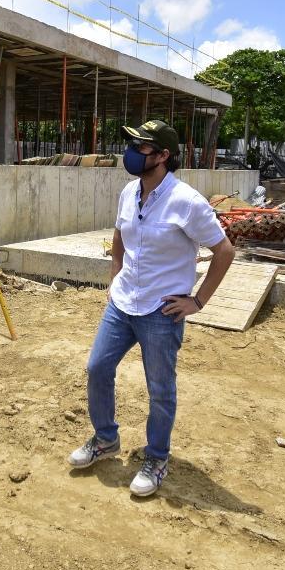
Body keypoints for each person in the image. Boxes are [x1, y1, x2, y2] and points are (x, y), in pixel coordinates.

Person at [67, 119, 235, 496]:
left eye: (141, 147)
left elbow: (224, 250)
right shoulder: (129, 192)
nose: (131, 152)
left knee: (160, 388)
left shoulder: (188, 203)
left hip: (161, 312)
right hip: (123, 304)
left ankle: (157, 457)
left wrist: (198, 300)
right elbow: (119, 234)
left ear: (163, 156)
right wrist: (115, 276)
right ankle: (105, 439)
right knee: (97, 368)